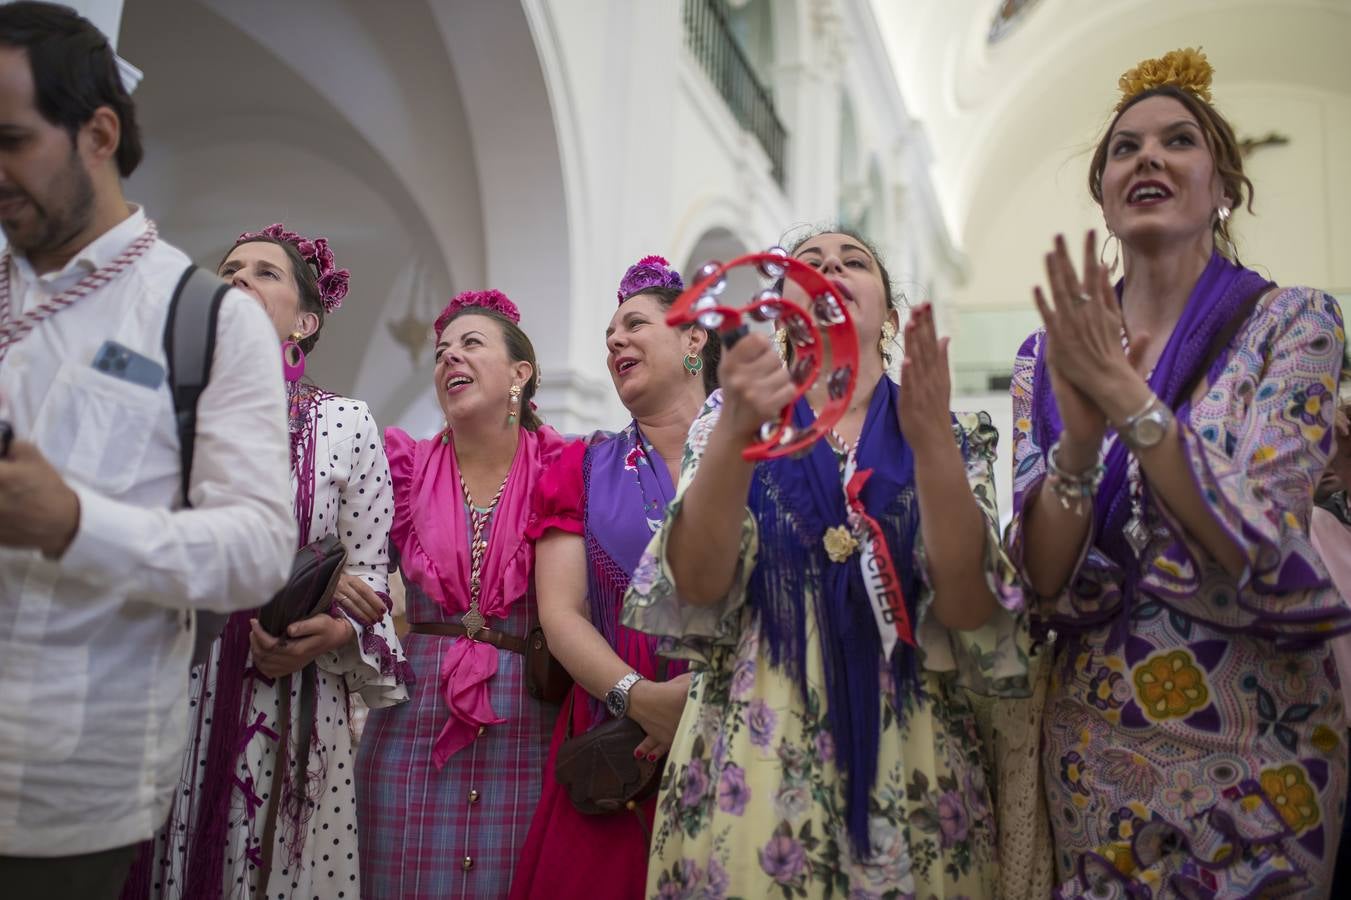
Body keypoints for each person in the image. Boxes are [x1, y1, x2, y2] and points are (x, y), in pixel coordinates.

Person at [1008, 48, 1349, 895]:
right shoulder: (1042, 358)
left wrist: (1123, 391)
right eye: (1125, 148)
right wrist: (1079, 447)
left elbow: (1263, 534)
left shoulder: (1292, 321)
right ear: (1103, 195)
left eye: (1178, 141)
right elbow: (1042, 575)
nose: (1148, 158)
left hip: (1258, 731)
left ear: (1222, 186)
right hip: (1096, 738)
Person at [623, 229, 1027, 897]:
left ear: (890, 316)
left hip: (910, 756)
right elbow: (696, 582)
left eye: (853, 262)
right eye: (807, 266)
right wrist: (733, 437)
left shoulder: (944, 430)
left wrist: (929, 448)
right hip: (754, 757)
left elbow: (967, 608)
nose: (830, 269)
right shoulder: (728, 420)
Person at [0, 5, 294, 899]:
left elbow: (256, 550)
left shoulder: (204, 318)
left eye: (10, 140)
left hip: (55, 798)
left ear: (98, 132)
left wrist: (76, 525)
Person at [128, 225, 411, 899]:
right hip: (171, 684)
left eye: (264, 272)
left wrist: (335, 630)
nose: (238, 279)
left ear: (305, 321)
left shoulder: (346, 423)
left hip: (286, 700)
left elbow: (371, 577)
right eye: (229, 269)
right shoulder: (167, 406)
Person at [512, 255, 720, 899]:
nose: (614, 341)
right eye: (608, 336)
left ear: (693, 337)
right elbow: (562, 611)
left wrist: (706, 695)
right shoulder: (579, 466)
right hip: (614, 732)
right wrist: (641, 698)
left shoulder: (760, 451)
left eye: (634, 324)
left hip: (737, 715)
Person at [355, 289, 571, 898]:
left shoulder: (567, 467)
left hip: (528, 726)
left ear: (520, 374)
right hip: (410, 730)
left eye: (471, 344)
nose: (451, 357)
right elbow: (358, 569)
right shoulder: (400, 467)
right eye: (442, 351)